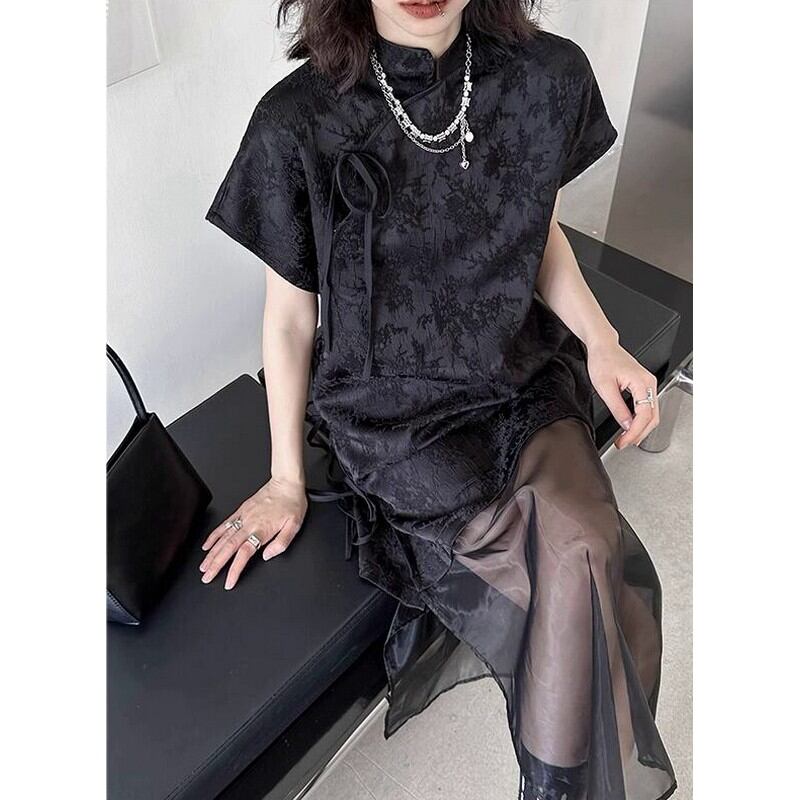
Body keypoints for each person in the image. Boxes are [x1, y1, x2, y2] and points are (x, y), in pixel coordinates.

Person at [200, 1, 677, 798]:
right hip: (394, 415)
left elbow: (539, 237)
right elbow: (288, 319)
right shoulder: (297, 120)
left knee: (593, 554)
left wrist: (602, 342)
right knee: (585, 590)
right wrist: (286, 477)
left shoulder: (546, 76)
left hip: (516, 375)